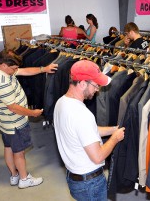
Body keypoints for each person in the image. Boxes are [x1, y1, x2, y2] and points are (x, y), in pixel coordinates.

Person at [53, 60, 125, 201]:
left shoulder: (61, 102)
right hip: (90, 183)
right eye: (95, 85)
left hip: (75, 177)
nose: (98, 89)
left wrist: (112, 130)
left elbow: (86, 132)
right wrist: (115, 138)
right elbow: (98, 156)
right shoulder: (82, 114)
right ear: (82, 83)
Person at [0, 51, 58, 189]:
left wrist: (43, 69)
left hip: (4, 121)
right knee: (19, 153)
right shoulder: (2, 83)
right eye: (13, 69)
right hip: (15, 122)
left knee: (8, 148)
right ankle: (24, 179)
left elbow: (23, 71)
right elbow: (13, 107)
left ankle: (14, 175)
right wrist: (33, 113)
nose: (15, 71)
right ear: (5, 65)